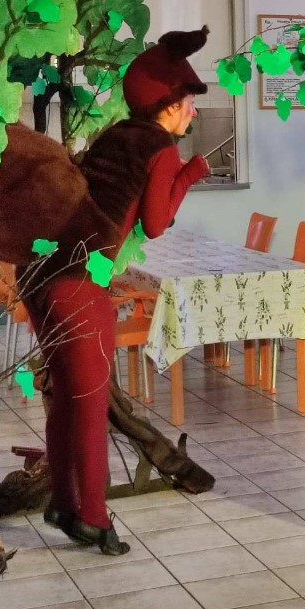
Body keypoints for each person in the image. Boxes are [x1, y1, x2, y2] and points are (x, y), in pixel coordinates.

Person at [22, 27, 212, 555]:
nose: (193, 111)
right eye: (189, 102)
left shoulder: (115, 135)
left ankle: (65, 503)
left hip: (40, 272)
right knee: (87, 401)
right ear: (169, 105)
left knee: (67, 394)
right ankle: (93, 517)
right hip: (78, 282)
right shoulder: (160, 148)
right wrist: (190, 174)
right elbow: (155, 222)